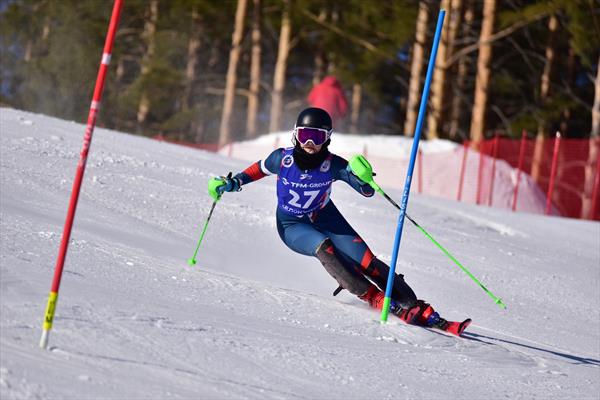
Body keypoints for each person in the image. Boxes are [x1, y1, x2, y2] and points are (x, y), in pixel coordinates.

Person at [208, 107, 447, 329]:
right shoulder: (282, 159)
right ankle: (375, 298)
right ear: (295, 135)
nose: (310, 143)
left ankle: (412, 304)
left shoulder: (333, 164)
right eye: (305, 135)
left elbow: (366, 191)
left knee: (366, 261)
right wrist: (232, 183)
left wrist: (363, 177)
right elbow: (257, 170)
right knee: (325, 248)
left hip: (325, 216)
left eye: (317, 136)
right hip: (293, 225)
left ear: (328, 138)